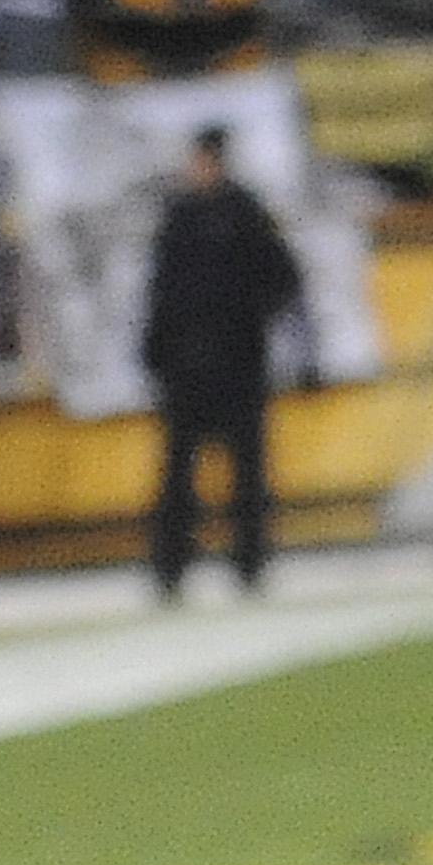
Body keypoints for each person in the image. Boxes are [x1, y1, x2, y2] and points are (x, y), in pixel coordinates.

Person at [140, 126, 307, 602]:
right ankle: (170, 570)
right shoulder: (178, 217)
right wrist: (157, 351)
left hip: (237, 366)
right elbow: (161, 294)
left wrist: (248, 320)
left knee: (247, 475)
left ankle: (249, 565)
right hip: (186, 369)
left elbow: (282, 276)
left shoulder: (245, 214)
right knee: (177, 477)